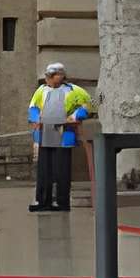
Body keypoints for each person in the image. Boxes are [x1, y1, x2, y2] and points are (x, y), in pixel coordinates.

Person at [28, 59, 93, 212]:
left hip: (64, 134)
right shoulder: (42, 90)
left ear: (61, 75)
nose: (48, 78)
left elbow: (92, 103)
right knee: (44, 170)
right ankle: (43, 201)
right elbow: (33, 107)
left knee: (61, 170)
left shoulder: (73, 90)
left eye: (52, 75)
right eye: (48, 75)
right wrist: (36, 119)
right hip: (45, 134)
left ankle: (62, 202)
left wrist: (76, 116)